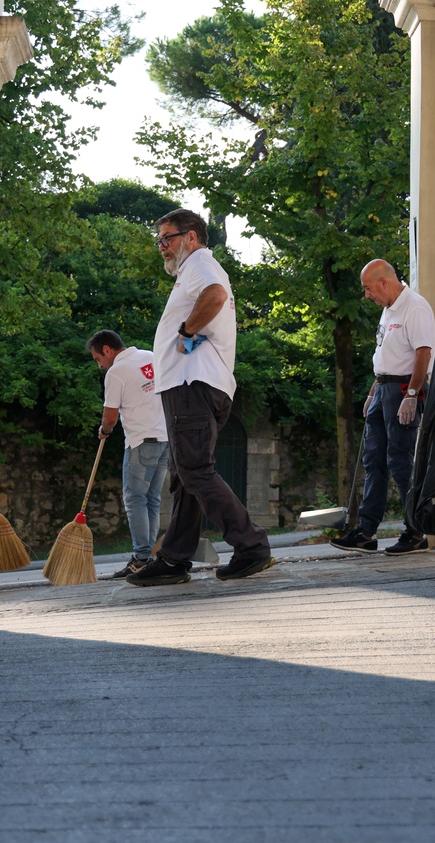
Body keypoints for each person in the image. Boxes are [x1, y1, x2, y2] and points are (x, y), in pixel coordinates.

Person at [126, 209, 274, 587]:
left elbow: (215, 295)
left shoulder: (199, 267)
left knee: (193, 471)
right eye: (159, 239)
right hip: (197, 386)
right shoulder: (193, 270)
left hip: (192, 385)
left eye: (167, 238)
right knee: (185, 476)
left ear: (191, 237)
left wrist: (185, 331)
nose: (161, 246)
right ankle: (175, 558)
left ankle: (251, 545)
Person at [331, 259, 435, 556]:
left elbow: (423, 353)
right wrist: (372, 391)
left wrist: (412, 395)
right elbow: (386, 354)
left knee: (400, 461)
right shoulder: (388, 310)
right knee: (373, 459)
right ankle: (366, 531)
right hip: (383, 389)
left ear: (384, 283)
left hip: (404, 389)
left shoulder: (414, 307)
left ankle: (416, 532)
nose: (366, 295)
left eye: (367, 288)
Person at [88, 329, 171, 578]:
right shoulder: (150, 356)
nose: (100, 365)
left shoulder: (116, 372)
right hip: (165, 439)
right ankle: (149, 557)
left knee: (135, 499)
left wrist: (104, 429)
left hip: (141, 442)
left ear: (107, 350)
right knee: (152, 500)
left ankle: (141, 557)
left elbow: (110, 417)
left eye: (97, 359)